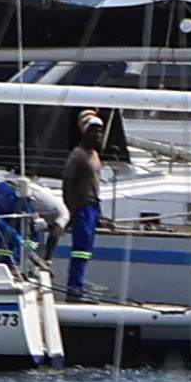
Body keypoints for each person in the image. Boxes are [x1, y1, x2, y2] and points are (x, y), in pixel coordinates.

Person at [55, 112, 108, 301]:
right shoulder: (78, 155)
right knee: (80, 249)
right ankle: (74, 289)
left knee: (86, 250)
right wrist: (70, 209)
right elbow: (67, 182)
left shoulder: (95, 155)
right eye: (95, 131)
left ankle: (79, 284)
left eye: (101, 132)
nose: (99, 136)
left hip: (93, 207)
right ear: (85, 132)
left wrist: (99, 212)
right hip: (82, 208)